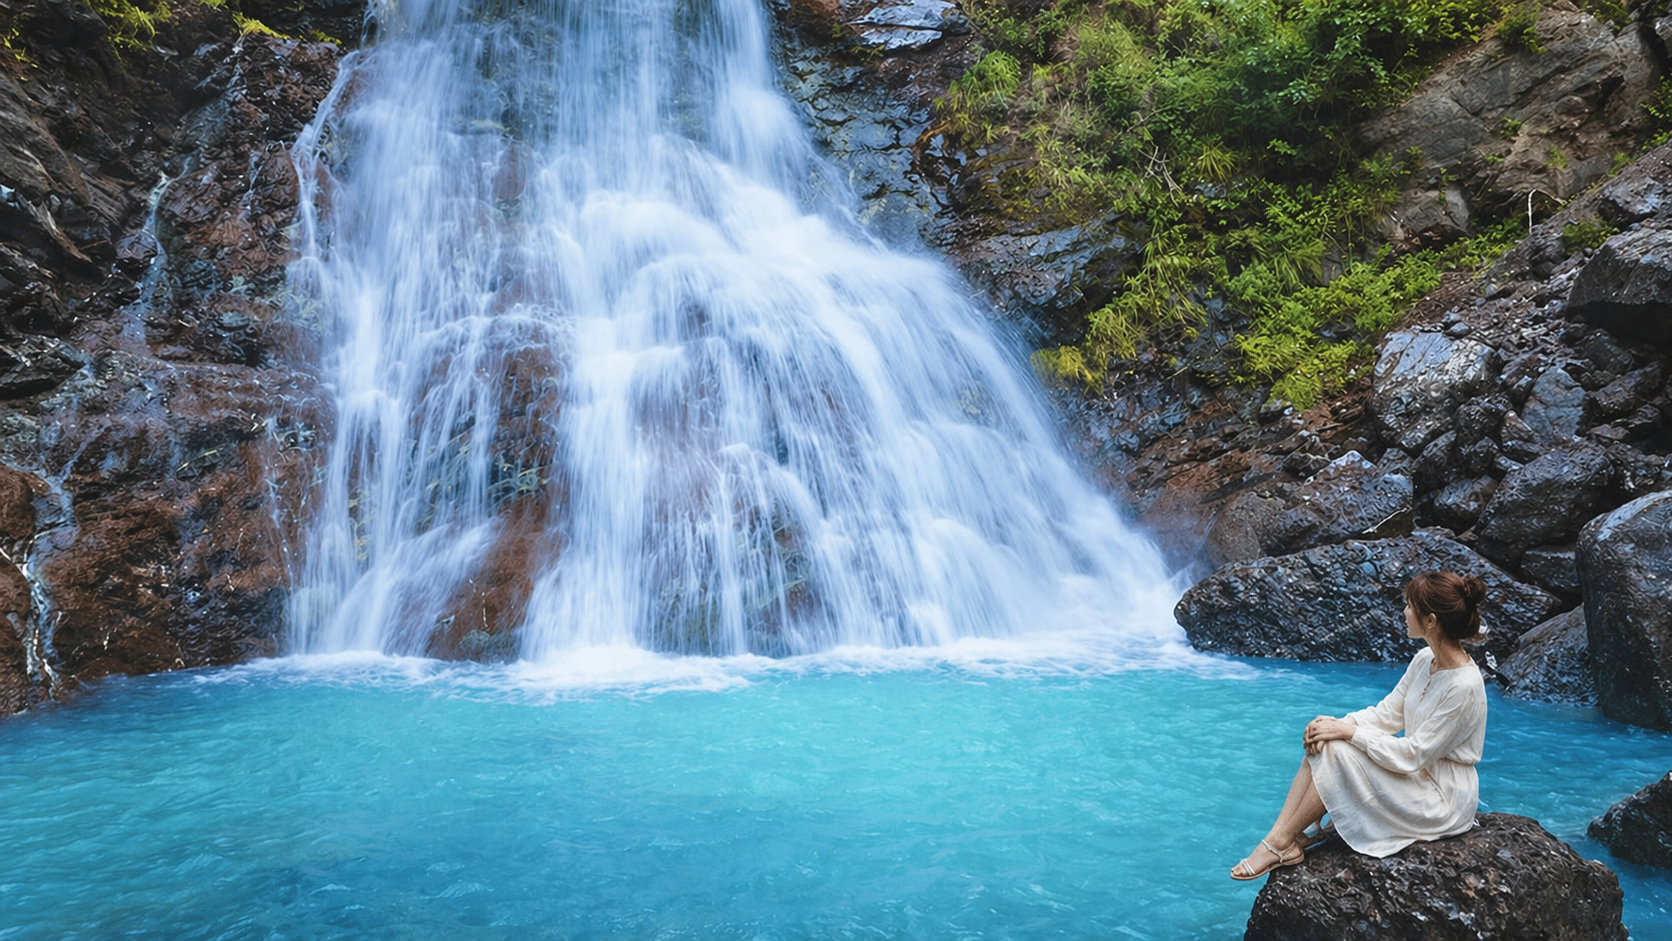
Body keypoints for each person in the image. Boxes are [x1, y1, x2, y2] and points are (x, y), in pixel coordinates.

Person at [1230, 571, 1489, 880]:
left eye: (1409, 605)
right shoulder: (1424, 659)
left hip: (1441, 799)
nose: (1404, 612)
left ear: (1431, 621)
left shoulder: (1464, 687)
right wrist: (1335, 723)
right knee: (1325, 739)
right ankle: (1282, 839)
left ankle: (1278, 842)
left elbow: (1413, 754)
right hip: (1417, 776)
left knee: (1339, 748)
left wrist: (1349, 732)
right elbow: (1388, 714)